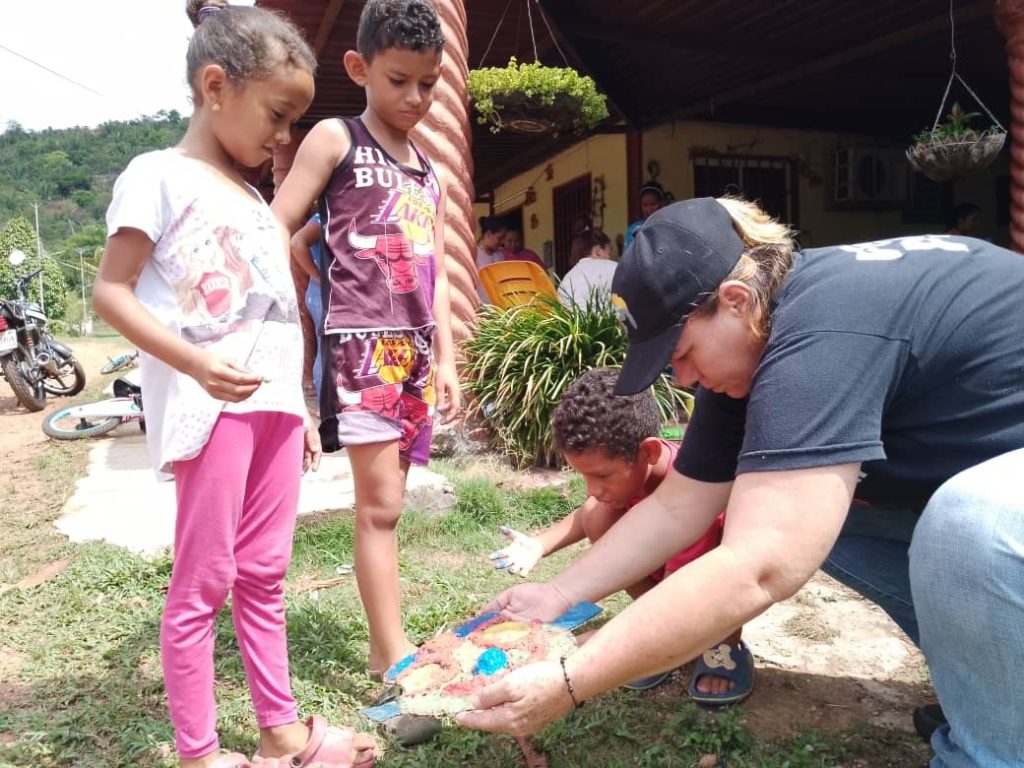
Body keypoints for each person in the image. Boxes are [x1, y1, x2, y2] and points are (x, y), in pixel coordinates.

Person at [457, 196, 1024, 768]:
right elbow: (678, 506)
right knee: (833, 518)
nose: (682, 378)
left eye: (681, 353)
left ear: (734, 300)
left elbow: (761, 565)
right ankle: (992, 688)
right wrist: (558, 595)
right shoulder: (754, 335)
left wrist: (571, 678)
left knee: (966, 523)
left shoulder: (821, 334)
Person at [91, 2, 379, 767]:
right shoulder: (156, 175)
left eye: (293, 123)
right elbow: (111, 291)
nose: (283, 138)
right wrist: (192, 364)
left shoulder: (254, 203)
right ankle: (200, 752)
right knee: (205, 581)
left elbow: (276, 309)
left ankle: (280, 730)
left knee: (264, 573)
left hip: (275, 409)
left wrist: (302, 408)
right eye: (277, 116)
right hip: (210, 410)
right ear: (215, 86)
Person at [269, 0, 460, 718]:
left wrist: (446, 358)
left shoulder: (429, 170)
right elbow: (277, 223)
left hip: (415, 352)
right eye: (398, 80)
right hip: (362, 350)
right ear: (359, 68)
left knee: (391, 505)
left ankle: (386, 647)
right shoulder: (335, 138)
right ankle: (394, 654)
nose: (415, 98)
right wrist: (294, 291)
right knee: (377, 508)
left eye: (428, 84)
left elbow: (437, 269)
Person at [488, 368, 751, 701]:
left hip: (707, 575)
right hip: (664, 568)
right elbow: (585, 518)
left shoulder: (695, 497)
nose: (592, 489)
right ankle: (660, 640)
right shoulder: (627, 481)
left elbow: (679, 592)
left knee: (704, 590)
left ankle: (722, 648)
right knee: (596, 514)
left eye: (601, 476)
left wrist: (584, 649)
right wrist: (539, 544)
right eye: (584, 477)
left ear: (649, 453)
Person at [290, 213, 324, 400]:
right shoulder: (323, 217)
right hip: (322, 293)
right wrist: (317, 276)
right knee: (327, 349)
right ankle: (323, 402)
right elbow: (296, 243)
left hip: (325, 292)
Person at [557, 228, 617, 308]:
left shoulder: (565, 281)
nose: (610, 257)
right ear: (598, 251)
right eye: (609, 252)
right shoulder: (611, 267)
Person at [475, 215, 508, 302]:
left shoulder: (499, 255)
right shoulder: (474, 254)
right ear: (488, 234)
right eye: (499, 238)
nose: (502, 242)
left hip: (498, 305)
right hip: (480, 305)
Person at [623, 181, 665, 249]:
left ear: (661, 204)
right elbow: (628, 252)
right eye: (645, 205)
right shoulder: (634, 230)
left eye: (653, 204)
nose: (649, 209)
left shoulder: (668, 227)